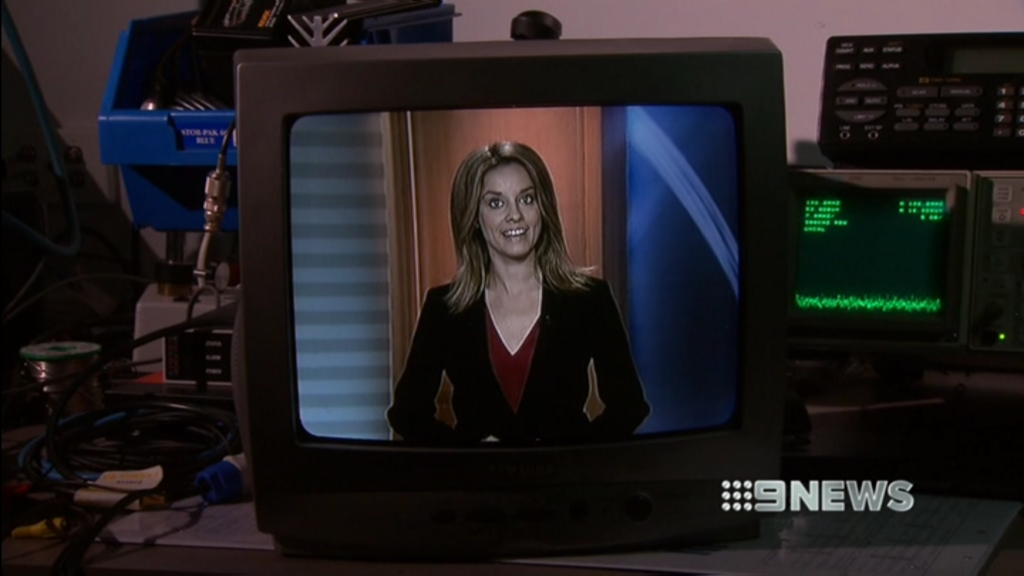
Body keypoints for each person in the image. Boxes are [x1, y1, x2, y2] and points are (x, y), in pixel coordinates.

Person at [386, 141, 650, 444]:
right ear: (474, 216)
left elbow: (629, 407)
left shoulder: (589, 300)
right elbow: (406, 414)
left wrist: (570, 455)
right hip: (478, 477)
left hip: (566, 475)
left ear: (543, 208)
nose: (515, 215)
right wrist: (468, 453)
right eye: (496, 203)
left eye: (526, 199)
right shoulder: (444, 308)